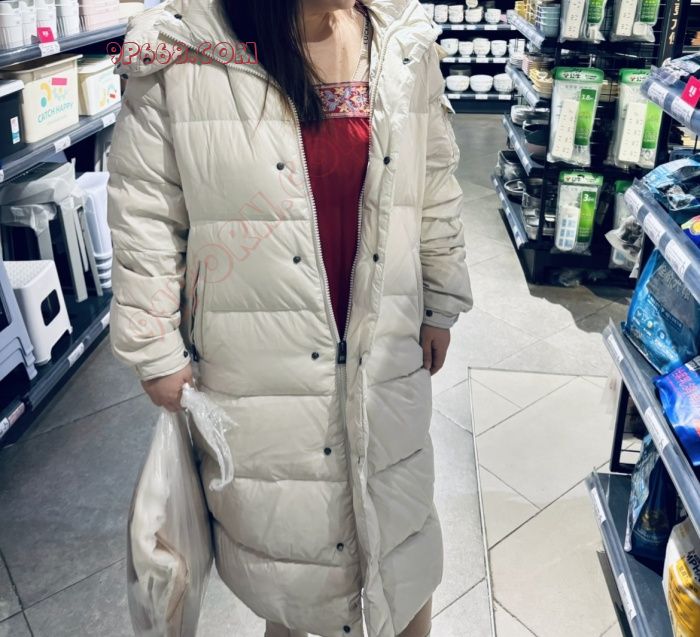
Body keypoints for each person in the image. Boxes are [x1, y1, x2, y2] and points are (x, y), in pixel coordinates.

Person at [107, 0, 472, 635]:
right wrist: (152, 343)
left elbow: (434, 181)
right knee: (289, 548)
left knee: (399, 528)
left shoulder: (401, 41)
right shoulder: (184, 50)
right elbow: (146, 207)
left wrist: (441, 294)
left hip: (383, 340)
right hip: (256, 351)